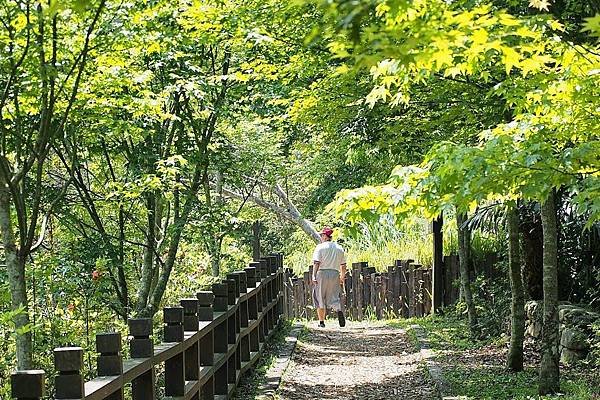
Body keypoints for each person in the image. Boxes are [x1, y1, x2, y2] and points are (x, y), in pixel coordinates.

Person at [312, 226, 347, 328]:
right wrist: (342, 277)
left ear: (325, 236)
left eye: (322, 235)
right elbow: (343, 265)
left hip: (322, 273)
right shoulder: (339, 248)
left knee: (319, 296)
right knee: (334, 296)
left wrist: (313, 275)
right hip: (335, 273)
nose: (321, 237)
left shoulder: (320, 247)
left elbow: (316, 262)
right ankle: (338, 310)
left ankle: (322, 322)